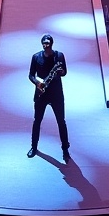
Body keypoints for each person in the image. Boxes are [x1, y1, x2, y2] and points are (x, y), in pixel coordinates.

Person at [27, 33, 70, 161]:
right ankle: (34, 147)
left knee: (61, 122)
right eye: (44, 44)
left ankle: (65, 150)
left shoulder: (59, 56)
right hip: (41, 93)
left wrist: (60, 71)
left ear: (51, 44)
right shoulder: (36, 57)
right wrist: (37, 83)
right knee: (37, 121)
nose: (46, 46)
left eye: (48, 44)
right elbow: (31, 75)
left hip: (56, 93)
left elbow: (64, 72)